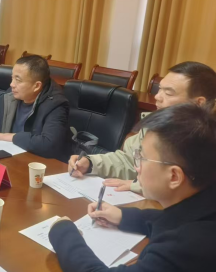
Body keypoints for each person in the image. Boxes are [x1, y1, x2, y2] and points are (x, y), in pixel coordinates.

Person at [48, 104, 216, 272]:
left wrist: (63, 231)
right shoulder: (203, 204)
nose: (136, 167)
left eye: (142, 158)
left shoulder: (188, 248)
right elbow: (174, 220)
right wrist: (124, 216)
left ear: (174, 176)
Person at [68, 61, 216, 192]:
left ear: (198, 103)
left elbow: (193, 188)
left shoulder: (207, 138)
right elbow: (129, 160)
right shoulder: (156, 125)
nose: (157, 97)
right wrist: (91, 163)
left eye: (168, 93)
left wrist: (138, 185)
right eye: (160, 89)